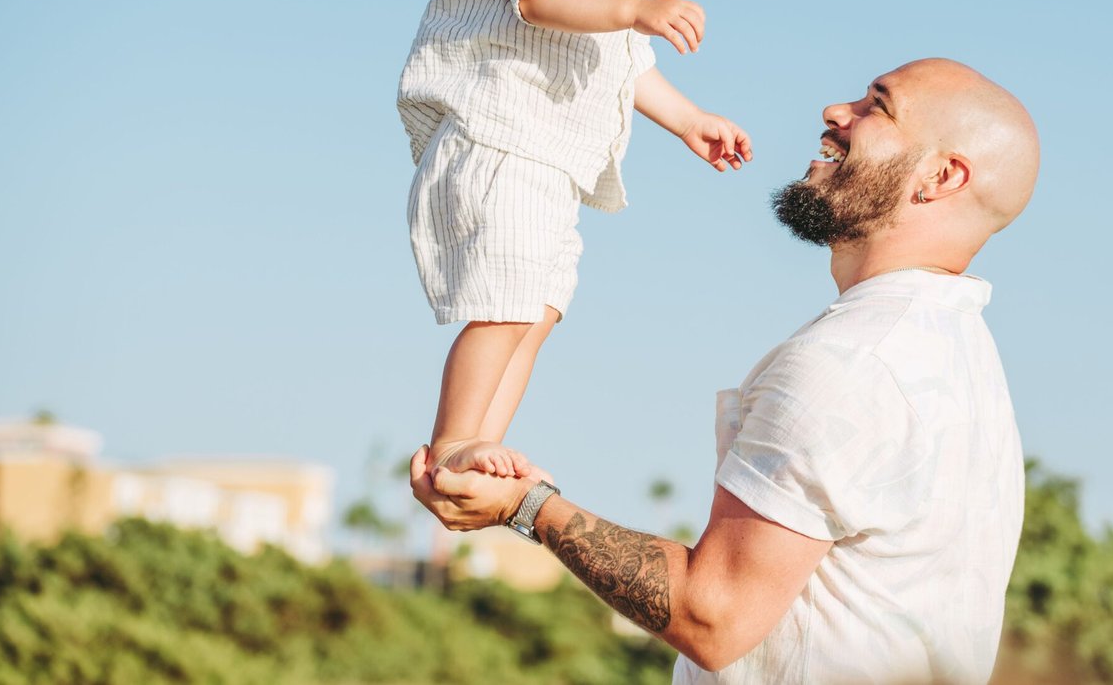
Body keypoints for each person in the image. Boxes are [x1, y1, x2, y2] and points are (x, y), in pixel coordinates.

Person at [411, 58, 1041, 685]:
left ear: (940, 176)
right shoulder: (961, 360)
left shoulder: (853, 360)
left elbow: (711, 615)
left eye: (877, 105)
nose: (835, 112)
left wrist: (527, 507)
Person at [397, 0, 752, 481]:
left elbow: (619, 59)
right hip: (502, 140)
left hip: (548, 158)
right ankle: (456, 438)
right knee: (507, 301)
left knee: (541, 306)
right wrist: (635, 8)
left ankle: (478, 447)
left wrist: (690, 120)